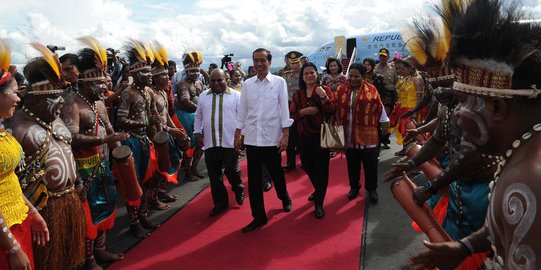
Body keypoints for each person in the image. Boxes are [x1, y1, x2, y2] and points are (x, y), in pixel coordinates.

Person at [408, 0, 541, 269]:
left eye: (464, 101)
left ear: (496, 107)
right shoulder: (522, 154)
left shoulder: (529, 176)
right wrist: (464, 247)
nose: (457, 114)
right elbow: (505, 222)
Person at [7, 42, 86, 270]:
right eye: (54, 99)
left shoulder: (55, 117)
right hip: (41, 209)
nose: (61, 103)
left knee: (69, 259)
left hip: (69, 200)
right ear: (35, 99)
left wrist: (78, 180)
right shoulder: (17, 125)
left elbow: (68, 151)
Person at [60, 37, 127, 269]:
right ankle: (88, 259)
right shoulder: (72, 104)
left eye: (104, 82)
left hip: (103, 163)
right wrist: (105, 140)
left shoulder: (99, 104)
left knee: (106, 208)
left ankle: (100, 250)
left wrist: (120, 155)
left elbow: (109, 128)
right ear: (85, 82)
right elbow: (71, 138)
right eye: (99, 83)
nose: (104, 87)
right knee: (88, 216)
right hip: (83, 169)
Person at [0, 39, 49, 270]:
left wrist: (32, 212)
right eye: (14, 93)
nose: (19, 99)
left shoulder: (3, 130)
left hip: (16, 221)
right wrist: (12, 247)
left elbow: (10, 180)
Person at [235, 48, 293, 233]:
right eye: (256, 61)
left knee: (276, 173)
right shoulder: (247, 84)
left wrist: (286, 135)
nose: (259, 64)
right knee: (253, 180)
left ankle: (284, 197)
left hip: (271, 138)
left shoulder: (279, 82)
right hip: (252, 138)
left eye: (262, 60)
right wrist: (238, 133)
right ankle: (259, 217)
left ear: (269, 62)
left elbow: (284, 110)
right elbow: (242, 111)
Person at [115, 39, 161, 238]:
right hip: (131, 141)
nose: (149, 76)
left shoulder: (148, 92)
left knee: (148, 180)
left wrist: (157, 125)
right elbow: (120, 120)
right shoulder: (128, 93)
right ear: (134, 73)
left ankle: (143, 215)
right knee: (134, 184)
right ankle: (134, 222)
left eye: (150, 72)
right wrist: (143, 124)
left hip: (145, 141)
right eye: (145, 72)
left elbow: (151, 115)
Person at [194, 69, 245, 217]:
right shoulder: (203, 96)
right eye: (213, 80)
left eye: (219, 80)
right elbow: (198, 116)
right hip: (211, 143)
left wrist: (241, 138)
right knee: (214, 176)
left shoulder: (236, 96)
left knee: (232, 171)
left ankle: (238, 187)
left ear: (226, 80)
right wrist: (197, 132)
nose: (216, 83)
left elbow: (243, 118)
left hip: (230, 143)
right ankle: (220, 203)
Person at [290, 62, 335, 218]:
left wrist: (323, 96)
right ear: (302, 77)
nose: (309, 76)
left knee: (322, 170)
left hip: (322, 136)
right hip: (303, 136)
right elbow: (293, 115)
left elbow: (332, 110)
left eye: (311, 72)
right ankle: (319, 189)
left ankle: (319, 203)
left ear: (317, 74)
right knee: (307, 166)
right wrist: (304, 111)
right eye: (306, 74)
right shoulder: (298, 94)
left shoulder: (325, 90)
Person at [335, 63, 385, 203]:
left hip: (368, 137)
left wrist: (385, 124)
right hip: (349, 136)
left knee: (370, 165)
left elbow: (379, 107)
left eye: (356, 76)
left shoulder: (372, 89)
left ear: (363, 76)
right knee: (352, 164)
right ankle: (354, 187)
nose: (353, 79)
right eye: (350, 76)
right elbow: (334, 107)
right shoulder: (341, 89)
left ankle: (372, 189)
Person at [150, 43, 189, 209]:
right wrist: (170, 130)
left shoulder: (163, 92)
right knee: (155, 171)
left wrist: (176, 130)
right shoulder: (150, 93)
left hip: (166, 133)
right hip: (154, 136)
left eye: (168, 75)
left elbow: (165, 114)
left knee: (170, 163)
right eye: (163, 76)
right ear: (154, 77)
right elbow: (152, 120)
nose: (168, 78)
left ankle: (160, 192)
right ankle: (153, 199)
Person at [175, 51, 205, 181]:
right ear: (186, 72)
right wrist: (201, 110)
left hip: (197, 115)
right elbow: (185, 101)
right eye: (192, 71)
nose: (196, 74)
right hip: (186, 116)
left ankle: (194, 168)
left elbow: (203, 97)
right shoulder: (183, 84)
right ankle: (188, 172)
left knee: (201, 143)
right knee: (189, 144)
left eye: (197, 71)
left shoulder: (199, 82)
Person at [390, 57, 424, 156]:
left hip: (412, 109)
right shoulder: (408, 78)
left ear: (411, 68)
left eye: (404, 68)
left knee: (411, 132)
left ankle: (415, 155)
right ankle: (407, 150)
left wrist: (415, 111)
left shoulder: (417, 79)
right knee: (403, 130)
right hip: (404, 108)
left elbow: (420, 97)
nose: (402, 71)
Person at [281, 51, 303, 171]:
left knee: (303, 137)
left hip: (303, 106)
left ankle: (305, 161)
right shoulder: (285, 75)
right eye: (292, 63)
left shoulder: (306, 74)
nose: (295, 65)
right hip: (289, 107)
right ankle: (290, 163)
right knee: (290, 136)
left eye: (297, 63)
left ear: (301, 62)